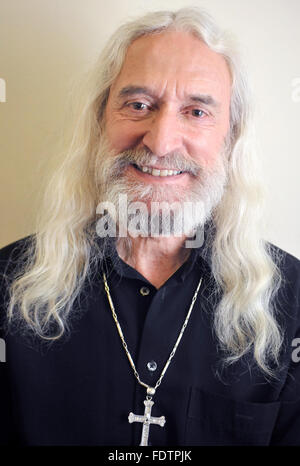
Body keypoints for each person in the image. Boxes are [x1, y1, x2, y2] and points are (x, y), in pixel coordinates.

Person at [0, 7, 300, 447]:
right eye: (138, 105)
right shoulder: (8, 284)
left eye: (196, 112)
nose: (160, 142)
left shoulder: (292, 304)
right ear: (100, 120)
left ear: (231, 138)